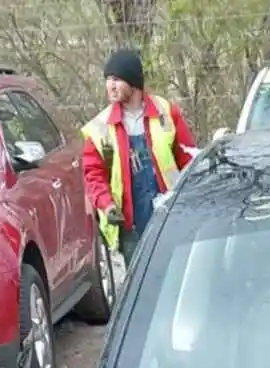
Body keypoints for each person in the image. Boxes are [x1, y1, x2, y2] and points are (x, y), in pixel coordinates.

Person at [81, 49, 195, 270]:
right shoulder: (100, 127)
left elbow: (188, 158)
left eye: (116, 79)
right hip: (129, 225)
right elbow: (93, 175)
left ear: (133, 83)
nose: (110, 86)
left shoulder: (166, 112)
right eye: (107, 80)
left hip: (170, 217)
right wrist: (107, 205)